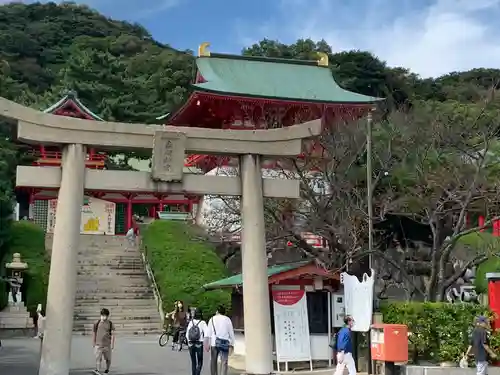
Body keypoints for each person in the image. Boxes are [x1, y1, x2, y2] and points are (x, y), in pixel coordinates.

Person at [205, 305, 235, 375]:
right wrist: (232, 344)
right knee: (224, 362)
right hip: (224, 343)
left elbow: (208, 334)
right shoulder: (227, 319)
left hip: (214, 343)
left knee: (213, 361)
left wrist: (207, 344)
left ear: (217, 311)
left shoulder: (212, 319)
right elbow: (231, 333)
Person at [92, 308, 115, 374]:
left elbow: (113, 334)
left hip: (107, 345)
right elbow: (94, 332)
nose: (104, 317)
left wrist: (112, 345)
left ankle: (107, 370)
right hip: (98, 344)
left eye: (105, 315)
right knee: (98, 358)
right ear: (101, 315)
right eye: (102, 315)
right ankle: (98, 370)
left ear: (107, 316)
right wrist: (93, 342)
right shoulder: (97, 322)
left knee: (108, 359)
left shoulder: (110, 323)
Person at [187, 309, 208, 375]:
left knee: (193, 362)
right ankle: (197, 373)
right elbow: (206, 334)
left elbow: (187, 334)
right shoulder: (203, 322)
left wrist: (188, 341)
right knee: (200, 361)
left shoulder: (191, 322)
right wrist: (206, 343)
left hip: (191, 343)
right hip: (199, 343)